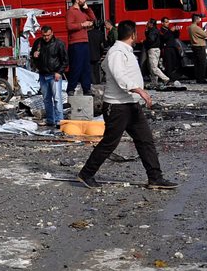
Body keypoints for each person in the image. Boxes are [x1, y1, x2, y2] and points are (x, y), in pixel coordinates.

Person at [77, 20, 177, 190]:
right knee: (110, 142)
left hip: (131, 104)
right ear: (133, 35)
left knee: (145, 140)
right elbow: (119, 75)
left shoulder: (124, 51)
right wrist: (139, 90)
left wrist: (136, 93)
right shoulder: (117, 52)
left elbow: (105, 66)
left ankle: (155, 177)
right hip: (117, 106)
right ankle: (86, 173)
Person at [30, 25, 68, 129]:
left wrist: (59, 72)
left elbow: (65, 60)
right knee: (46, 99)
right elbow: (31, 55)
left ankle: (59, 120)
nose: (46, 37)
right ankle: (51, 120)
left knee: (57, 98)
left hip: (54, 74)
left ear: (52, 33)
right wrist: (34, 55)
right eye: (44, 35)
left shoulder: (59, 44)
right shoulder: (38, 43)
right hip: (43, 75)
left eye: (48, 35)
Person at [65, 0, 96, 96]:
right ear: (77, 0)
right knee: (76, 66)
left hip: (84, 41)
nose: (84, 0)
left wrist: (87, 9)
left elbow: (93, 19)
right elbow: (69, 26)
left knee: (85, 67)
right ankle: (71, 89)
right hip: (75, 42)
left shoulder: (82, 12)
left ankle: (86, 88)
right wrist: (83, 24)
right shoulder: (71, 11)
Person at [144, 19, 170, 86]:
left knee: (153, 67)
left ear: (151, 24)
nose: (147, 24)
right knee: (152, 66)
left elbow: (151, 40)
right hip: (157, 49)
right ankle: (154, 82)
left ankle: (165, 78)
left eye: (148, 23)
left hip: (153, 49)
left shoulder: (152, 31)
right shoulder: (156, 30)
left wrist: (144, 42)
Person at [159, 17, 182, 83]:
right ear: (162, 23)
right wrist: (170, 31)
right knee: (168, 64)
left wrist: (177, 30)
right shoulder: (161, 30)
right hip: (167, 48)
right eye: (166, 22)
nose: (167, 23)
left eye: (168, 22)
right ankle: (168, 78)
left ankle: (173, 77)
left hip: (173, 47)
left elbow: (176, 36)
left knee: (174, 63)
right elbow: (164, 37)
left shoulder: (168, 29)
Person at [189, 13, 207, 83]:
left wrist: (203, 29)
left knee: (197, 63)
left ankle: (198, 78)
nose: (200, 20)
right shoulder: (196, 27)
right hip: (200, 46)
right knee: (202, 63)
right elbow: (205, 35)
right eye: (199, 19)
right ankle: (201, 79)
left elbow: (198, 33)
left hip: (194, 46)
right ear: (196, 19)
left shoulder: (190, 27)